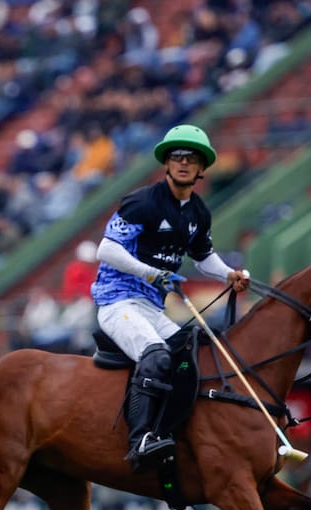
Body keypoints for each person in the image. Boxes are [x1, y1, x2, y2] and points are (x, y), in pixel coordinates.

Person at [90, 124, 250, 471]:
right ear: (166, 163)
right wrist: (150, 272)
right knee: (157, 356)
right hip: (118, 300)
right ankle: (141, 439)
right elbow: (106, 249)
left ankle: (168, 431)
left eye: (190, 158)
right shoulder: (143, 202)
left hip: (152, 307)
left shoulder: (198, 212)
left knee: (187, 357)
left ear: (200, 168)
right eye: (176, 156)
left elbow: (203, 257)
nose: (182, 163)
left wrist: (229, 275)